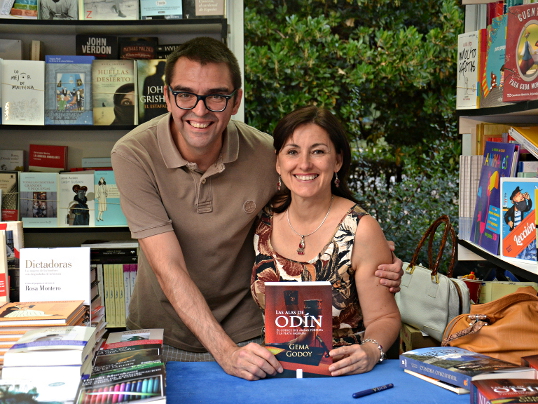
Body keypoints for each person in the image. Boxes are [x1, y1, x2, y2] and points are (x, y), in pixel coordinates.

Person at [111, 36, 403, 381]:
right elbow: (168, 267)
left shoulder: (269, 155)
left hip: (248, 340)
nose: (200, 110)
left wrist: (371, 252)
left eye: (217, 96)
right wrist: (224, 353)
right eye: (185, 94)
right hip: (163, 334)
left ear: (236, 101)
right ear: (167, 96)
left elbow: (315, 209)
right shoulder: (133, 154)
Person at [251, 106, 401, 376]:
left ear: (338, 161)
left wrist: (370, 351)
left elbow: (385, 317)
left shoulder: (360, 229)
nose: (304, 164)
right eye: (292, 152)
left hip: (341, 374)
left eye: (318, 151)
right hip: (275, 374)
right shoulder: (262, 219)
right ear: (278, 162)